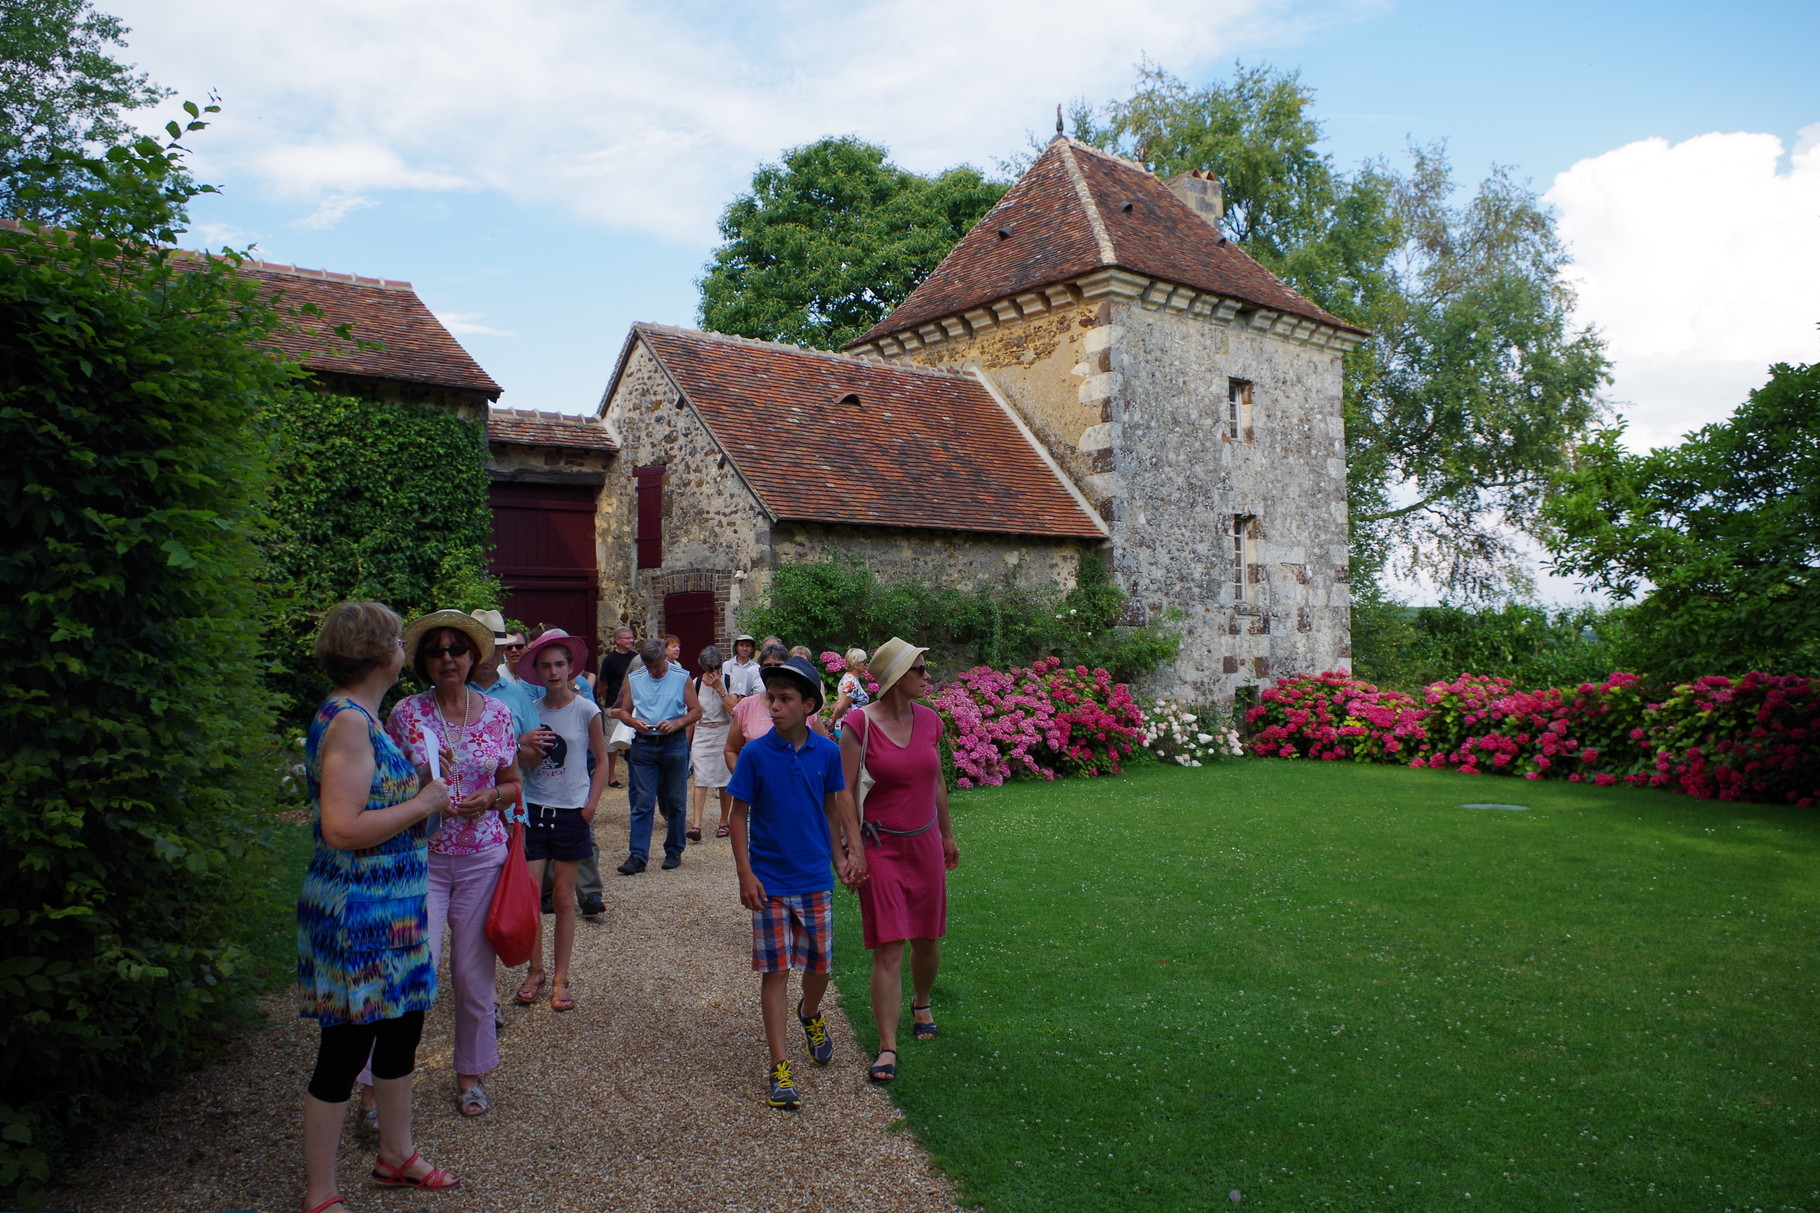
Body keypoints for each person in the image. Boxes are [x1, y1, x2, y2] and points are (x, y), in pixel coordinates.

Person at [296, 602, 459, 1213]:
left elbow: (369, 795)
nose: (405, 649)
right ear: (376, 654)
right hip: (358, 914)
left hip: (395, 909)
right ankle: (320, 1191)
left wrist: (418, 782)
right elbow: (341, 827)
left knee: (400, 1037)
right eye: (398, 640)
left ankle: (397, 1155)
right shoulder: (348, 722)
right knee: (344, 1051)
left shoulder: (366, 716)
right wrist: (422, 805)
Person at [369, 610, 522, 1120]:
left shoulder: (499, 715)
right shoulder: (406, 714)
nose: (448, 658)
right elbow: (385, 790)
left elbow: (515, 784)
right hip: (423, 860)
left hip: (482, 858)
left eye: (457, 649)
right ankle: (374, 1087)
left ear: (474, 656)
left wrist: (492, 796)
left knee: (473, 974)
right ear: (423, 662)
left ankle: (470, 1075)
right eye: (436, 651)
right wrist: (419, 785)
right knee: (410, 973)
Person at [726, 655, 865, 1110]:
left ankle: (810, 1013)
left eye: (786, 699)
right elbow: (738, 814)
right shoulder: (754, 753)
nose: (775, 706)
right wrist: (745, 874)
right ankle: (779, 1066)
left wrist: (841, 856)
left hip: (812, 878)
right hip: (768, 881)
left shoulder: (826, 751)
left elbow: (831, 809)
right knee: (775, 973)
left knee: (821, 966)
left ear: (809, 706)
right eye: (771, 698)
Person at [838, 637, 959, 1084]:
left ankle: (921, 1000)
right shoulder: (858, 725)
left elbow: (938, 782)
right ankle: (887, 1046)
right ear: (895, 680)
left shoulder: (930, 722)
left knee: (927, 938)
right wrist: (854, 849)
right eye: (919, 670)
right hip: (881, 849)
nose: (928, 677)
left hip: (924, 845)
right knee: (889, 947)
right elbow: (843, 792)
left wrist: (946, 834)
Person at [515, 628, 609, 1013]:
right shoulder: (530, 711)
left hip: (571, 812)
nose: (553, 672)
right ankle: (534, 970)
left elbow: (602, 761)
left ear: (571, 668)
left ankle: (560, 979)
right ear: (536, 671)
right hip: (535, 810)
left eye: (559, 664)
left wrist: (590, 805)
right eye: (545, 666)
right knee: (531, 896)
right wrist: (525, 751)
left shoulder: (586, 709)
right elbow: (521, 761)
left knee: (564, 899)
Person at [611, 636, 700, 872]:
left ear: (665, 658)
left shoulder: (682, 677)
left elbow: (696, 711)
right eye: (649, 666)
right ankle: (638, 856)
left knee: (676, 801)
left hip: (674, 743)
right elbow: (621, 711)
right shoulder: (635, 679)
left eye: (658, 665)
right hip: (644, 744)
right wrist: (633, 721)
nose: (654, 670)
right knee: (642, 802)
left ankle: (673, 850)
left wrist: (678, 723)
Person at [687, 644, 737, 841]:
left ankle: (723, 821)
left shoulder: (729, 681)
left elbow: (734, 710)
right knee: (700, 779)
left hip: (724, 732)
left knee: (725, 780)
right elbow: (692, 713)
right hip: (702, 732)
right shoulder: (696, 682)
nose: (714, 671)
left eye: (717, 667)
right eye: (710, 668)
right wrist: (687, 741)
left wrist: (719, 688)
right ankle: (696, 824)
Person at [723, 642, 790, 776]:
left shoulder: (803, 706)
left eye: (779, 666)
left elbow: (820, 747)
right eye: (767, 666)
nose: (773, 671)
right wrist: (743, 782)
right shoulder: (746, 707)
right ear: (759, 670)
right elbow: (731, 750)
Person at [596, 625, 639, 789]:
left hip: (633, 706)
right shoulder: (609, 660)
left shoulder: (636, 658)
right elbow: (603, 685)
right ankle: (611, 775)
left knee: (634, 741)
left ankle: (634, 773)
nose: (631, 641)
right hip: (614, 707)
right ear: (618, 640)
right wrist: (609, 702)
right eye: (627, 638)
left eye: (631, 638)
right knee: (612, 744)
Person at [829, 647, 872, 734]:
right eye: (864, 662)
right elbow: (842, 707)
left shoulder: (850, 678)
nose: (867, 664)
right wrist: (832, 720)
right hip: (849, 728)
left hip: (850, 726)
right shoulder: (851, 682)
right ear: (855, 663)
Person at [721, 633, 762, 699]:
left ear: (751, 649)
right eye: (741, 645)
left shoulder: (756, 667)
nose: (744, 648)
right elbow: (725, 686)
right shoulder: (728, 665)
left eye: (747, 646)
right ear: (737, 647)